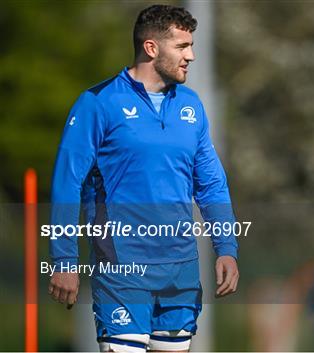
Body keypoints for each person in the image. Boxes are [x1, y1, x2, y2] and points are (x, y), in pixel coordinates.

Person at [48, 5, 239, 352]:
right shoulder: (97, 103)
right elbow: (67, 184)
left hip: (180, 269)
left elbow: (211, 184)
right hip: (122, 267)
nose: (191, 56)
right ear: (151, 48)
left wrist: (226, 247)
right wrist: (64, 259)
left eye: (191, 45)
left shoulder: (192, 106)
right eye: (182, 47)